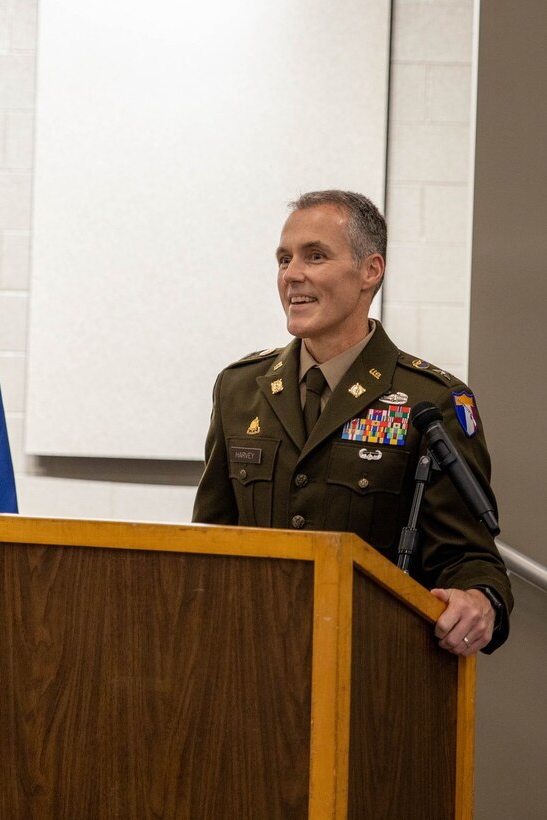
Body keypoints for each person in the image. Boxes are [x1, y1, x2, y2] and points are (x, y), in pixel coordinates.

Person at [192, 190, 512, 654]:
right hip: (250, 662)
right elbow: (210, 541)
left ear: (370, 271)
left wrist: (479, 600)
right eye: (284, 259)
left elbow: (470, 558)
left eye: (315, 256)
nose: (292, 275)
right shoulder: (240, 389)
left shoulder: (431, 400)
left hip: (371, 666)